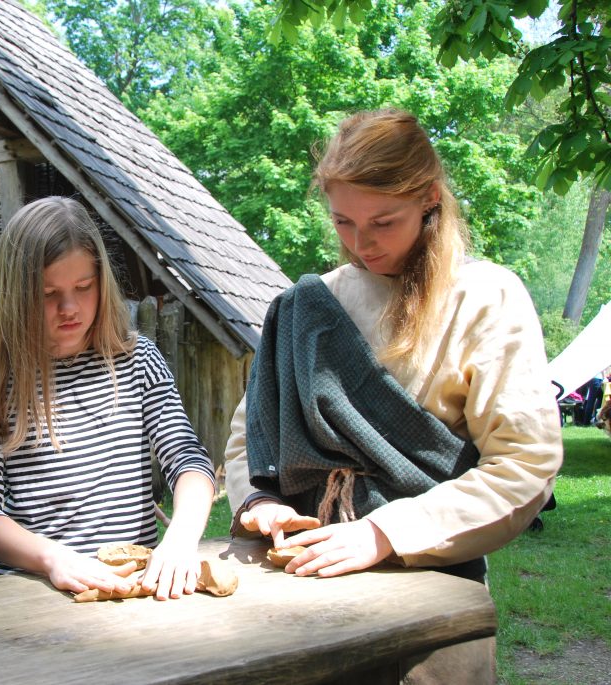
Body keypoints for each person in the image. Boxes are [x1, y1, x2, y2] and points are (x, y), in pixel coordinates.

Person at [225, 109, 562, 585]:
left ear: (429, 198)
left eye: (383, 222)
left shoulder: (485, 298)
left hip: (427, 574)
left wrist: (384, 533)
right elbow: (251, 438)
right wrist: (259, 500)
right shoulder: (305, 306)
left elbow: (524, 463)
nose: (361, 243)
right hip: (298, 568)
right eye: (343, 221)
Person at [0, 196, 215, 601]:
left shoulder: (138, 361)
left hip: (134, 591)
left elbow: (188, 460)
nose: (69, 308)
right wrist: (52, 558)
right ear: (16, 295)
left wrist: (180, 538)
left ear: (102, 281)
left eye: (83, 287)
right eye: (48, 293)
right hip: (32, 599)